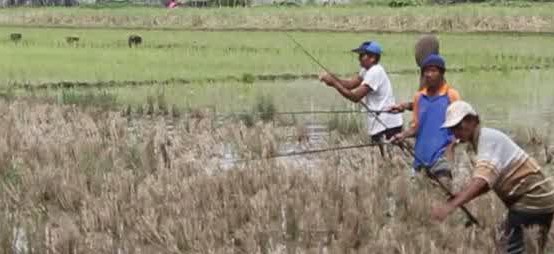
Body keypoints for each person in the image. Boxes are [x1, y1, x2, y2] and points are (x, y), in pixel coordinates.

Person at [431, 100, 554, 254]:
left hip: (531, 200)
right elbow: (488, 182)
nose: (456, 132)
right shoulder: (484, 138)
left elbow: (482, 181)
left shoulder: (487, 139)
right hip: (539, 199)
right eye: (452, 129)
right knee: (531, 249)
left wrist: (451, 206)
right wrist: (460, 196)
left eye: (459, 126)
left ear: (473, 120)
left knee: (506, 247)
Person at [319, 41, 403, 157]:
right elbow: (349, 84)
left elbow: (355, 97)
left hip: (387, 123)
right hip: (380, 121)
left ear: (372, 58)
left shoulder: (375, 72)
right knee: (385, 158)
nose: (359, 59)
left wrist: (333, 83)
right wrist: (332, 77)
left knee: (390, 158)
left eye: (362, 55)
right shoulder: (366, 70)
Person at [390, 54, 460, 189]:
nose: (428, 74)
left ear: (442, 74)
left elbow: (460, 127)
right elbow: (416, 127)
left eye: (433, 71)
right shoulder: (419, 97)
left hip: (441, 158)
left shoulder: (451, 95)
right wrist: (402, 135)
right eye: (426, 71)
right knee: (420, 202)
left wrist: (451, 147)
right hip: (420, 157)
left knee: (442, 197)